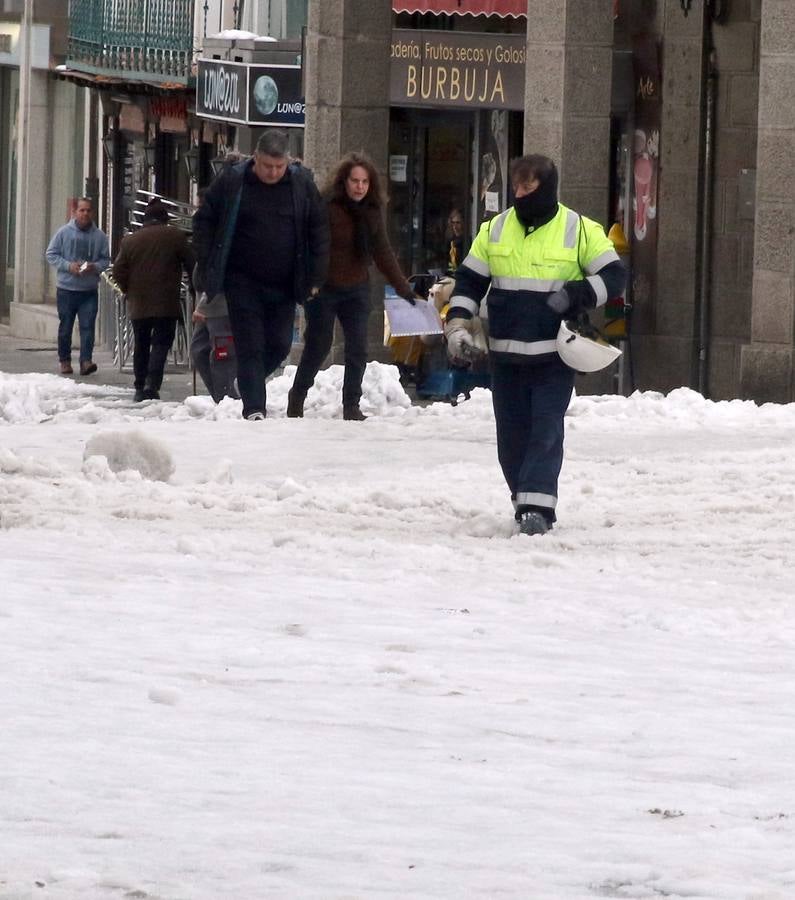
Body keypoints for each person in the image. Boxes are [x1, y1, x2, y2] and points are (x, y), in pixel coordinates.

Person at [446, 154, 625, 536]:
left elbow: (615, 275)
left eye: (528, 187)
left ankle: (537, 510)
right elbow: (468, 283)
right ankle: (523, 498)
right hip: (506, 356)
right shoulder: (495, 229)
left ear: (547, 187)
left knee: (545, 431)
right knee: (511, 438)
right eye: (516, 187)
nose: (520, 194)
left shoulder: (577, 229)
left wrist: (577, 295)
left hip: (553, 357)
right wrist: (457, 326)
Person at [192, 129, 329, 421]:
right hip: (242, 280)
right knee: (250, 344)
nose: (273, 172)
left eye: (279, 167)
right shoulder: (234, 180)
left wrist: (317, 275)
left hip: (285, 281)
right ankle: (255, 409)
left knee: (280, 343)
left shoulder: (301, 184)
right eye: (268, 166)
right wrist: (207, 265)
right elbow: (204, 221)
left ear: (288, 163)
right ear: (256, 158)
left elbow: (318, 229)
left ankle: (248, 379)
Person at [287, 152, 418, 421]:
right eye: (354, 181)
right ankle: (297, 396)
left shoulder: (371, 211)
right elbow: (309, 245)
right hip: (324, 288)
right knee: (318, 345)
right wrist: (308, 282)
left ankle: (351, 405)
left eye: (364, 182)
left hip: (357, 287)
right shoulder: (326, 207)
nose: (359, 187)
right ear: (343, 181)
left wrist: (403, 288)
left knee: (358, 348)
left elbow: (383, 251)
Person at [112, 198, 195, 402]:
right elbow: (191, 263)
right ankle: (152, 382)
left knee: (141, 344)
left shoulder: (130, 240)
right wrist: (194, 288)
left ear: (145, 220)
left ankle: (140, 385)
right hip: (167, 302)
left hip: (138, 302)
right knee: (161, 343)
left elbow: (118, 269)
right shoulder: (175, 237)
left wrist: (127, 289)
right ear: (165, 219)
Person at [45, 197, 110, 376]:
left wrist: (94, 267)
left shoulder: (100, 237)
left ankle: (86, 361)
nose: (85, 213)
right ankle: (65, 360)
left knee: (87, 326)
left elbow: (106, 260)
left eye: (88, 210)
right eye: (82, 210)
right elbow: (51, 254)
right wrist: (68, 266)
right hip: (66, 289)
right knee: (66, 326)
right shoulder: (63, 233)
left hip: (88, 291)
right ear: (75, 212)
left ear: (93, 213)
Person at [442, 209, 470, 275]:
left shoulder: (467, 241)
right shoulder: (450, 241)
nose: (455, 226)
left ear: (463, 223)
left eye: (458, 223)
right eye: (453, 223)